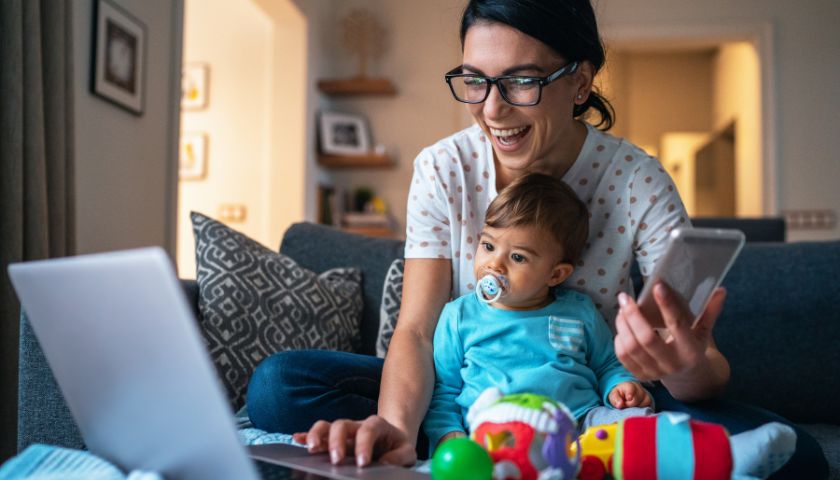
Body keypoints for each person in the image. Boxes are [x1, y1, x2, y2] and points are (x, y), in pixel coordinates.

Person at [247, 1, 828, 476]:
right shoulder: (442, 169)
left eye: (521, 82)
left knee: (795, 456)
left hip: (592, 395)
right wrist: (398, 430)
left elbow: (703, 367)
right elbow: (419, 329)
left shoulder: (636, 180)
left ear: (579, 82)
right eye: (475, 81)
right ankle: (476, 440)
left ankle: (568, 446)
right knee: (279, 386)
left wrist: (679, 366)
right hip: (470, 385)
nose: (491, 110)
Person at [425, 172, 653, 451]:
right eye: (488, 246)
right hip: (495, 433)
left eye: (517, 257)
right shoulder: (459, 316)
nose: (494, 264)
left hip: (580, 424)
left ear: (556, 274)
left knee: (640, 425)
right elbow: (444, 392)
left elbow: (607, 365)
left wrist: (620, 387)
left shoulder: (578, 311)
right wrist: (449, 434)